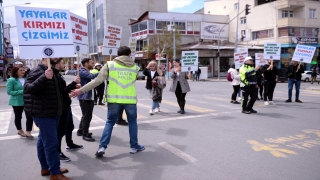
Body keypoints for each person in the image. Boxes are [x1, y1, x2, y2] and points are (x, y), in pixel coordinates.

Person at [69, 46, 145, 157]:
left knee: (110, 122)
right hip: (130, 100)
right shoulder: (135, 67)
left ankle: (102, 147)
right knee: (132, 122)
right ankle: (134, 146)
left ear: (118, 55)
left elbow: (98, 80)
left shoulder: (110, 65)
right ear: (129, 55)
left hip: (114, 100)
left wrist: (81, 90)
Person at [24, 58, 70, 180]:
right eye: (56, 55)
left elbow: (59, 91)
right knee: (51, 143)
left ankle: (46, 168)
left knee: (43, 140)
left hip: (53, 112)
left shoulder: (54, 71)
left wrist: (73, 85)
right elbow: (29, 88)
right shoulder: (37, 71)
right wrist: (44, 77)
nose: (58, 58)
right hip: (43, 113)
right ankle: (55, 173)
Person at [53, 58, 83, 162]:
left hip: (66, 105)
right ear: (57, 65)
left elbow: (63, 92)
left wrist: (73, 88)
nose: (64, 65)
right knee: (60, 131)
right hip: (61, 107)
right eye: (62, 63)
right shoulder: (54, 75)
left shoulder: (59, 74)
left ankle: (70, 144)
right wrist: (74, 83)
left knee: (70, 126)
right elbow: (61, 92)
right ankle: (57, 152)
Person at [6, 66, 34, 139]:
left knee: (29, 117)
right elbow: (9, 92)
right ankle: (20, 130)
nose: (23, 71)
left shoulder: (26, 79)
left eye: (23, 70)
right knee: (18, 117)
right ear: (16, 72)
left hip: (27, 101)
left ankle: (28, 132)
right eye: (20, 70)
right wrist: (22, 91)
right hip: (17, 102)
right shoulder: (11, 80)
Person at [77, 58, 98, 142]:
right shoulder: (82, 71)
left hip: (88, 97)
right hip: (85, 97)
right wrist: (103, 72)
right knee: (87, 116)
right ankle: (85, 134)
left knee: (85, 115)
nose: (93, 64)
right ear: (86, 64)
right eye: (92, 63)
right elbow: (92, 76)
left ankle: (80, 130)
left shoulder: (86, 71)